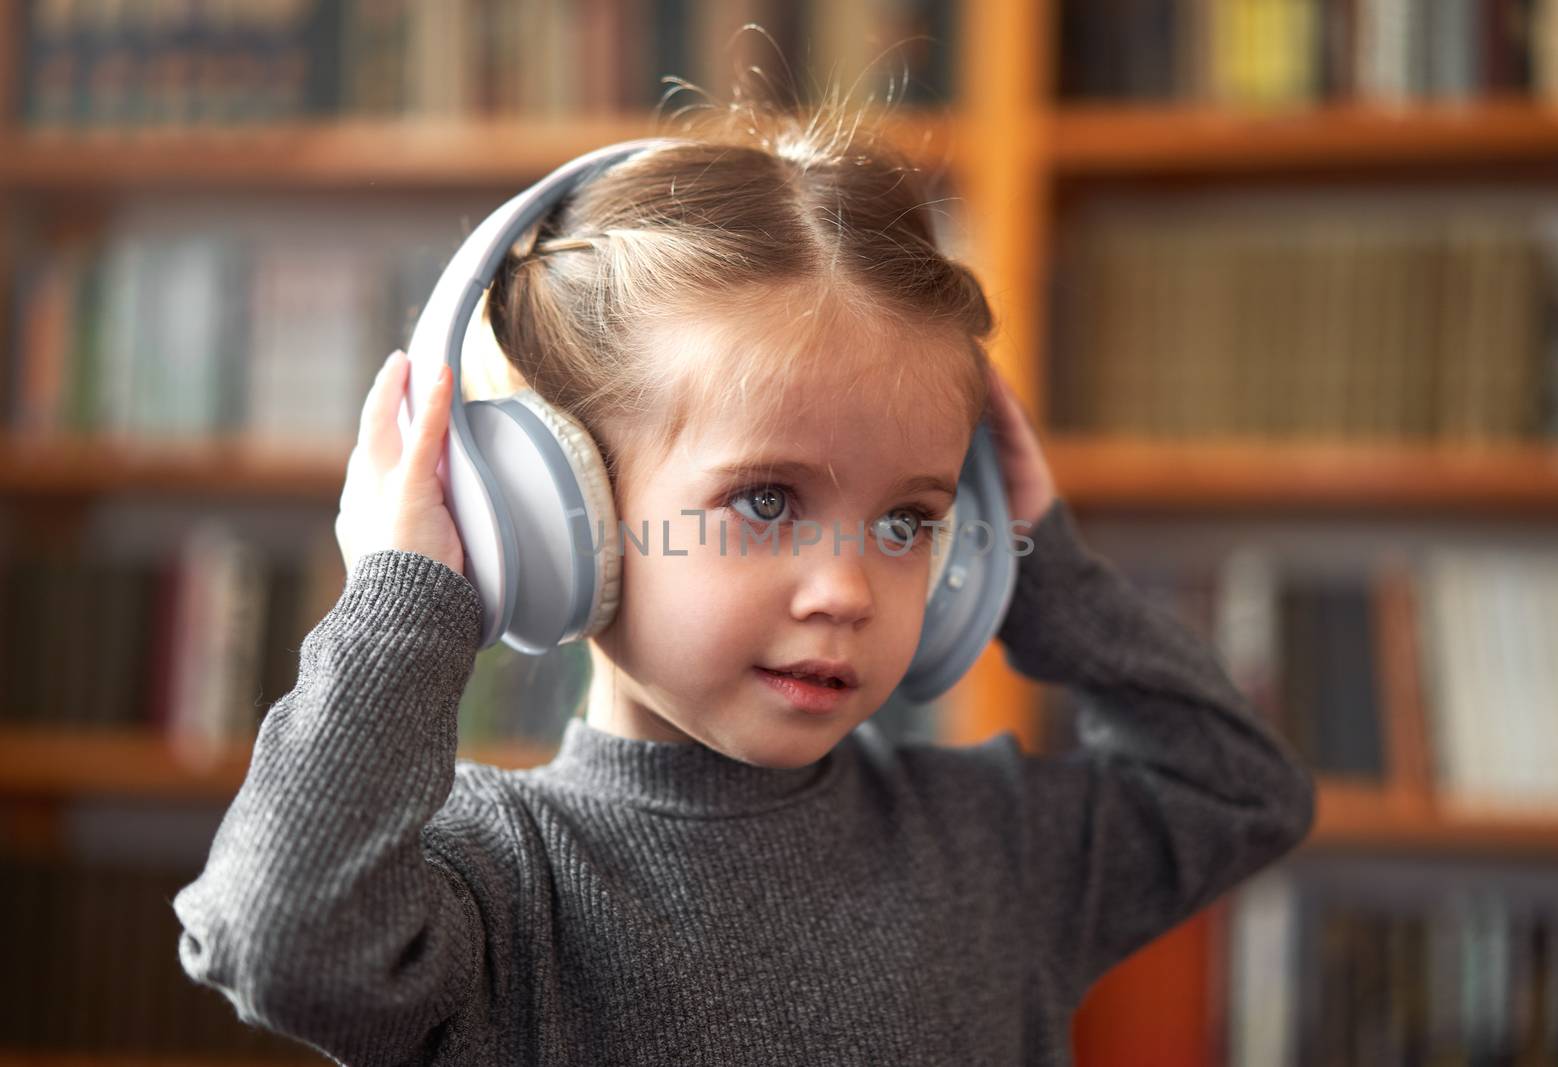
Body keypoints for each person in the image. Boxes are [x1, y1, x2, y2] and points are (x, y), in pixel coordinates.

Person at [172, 87, 1317, 1066]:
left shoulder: (991, 848)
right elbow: (282, 938)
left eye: (912, 518)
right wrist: (405, 597)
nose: (848, 589)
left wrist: (1043, 571)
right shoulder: (495, 878)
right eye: (766, 500)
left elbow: (1241, 790)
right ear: (549, 519)